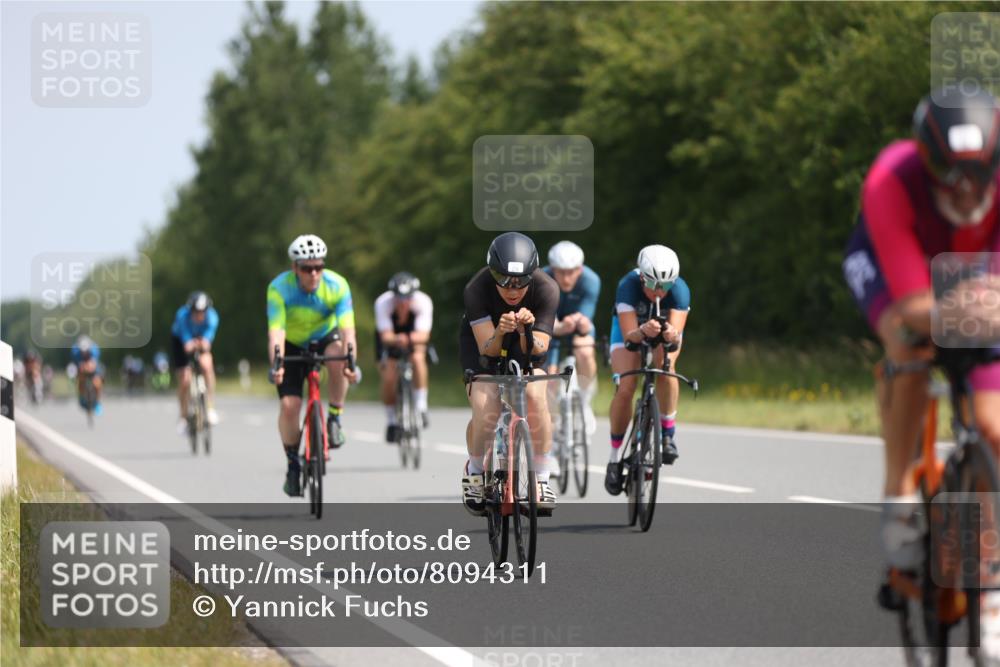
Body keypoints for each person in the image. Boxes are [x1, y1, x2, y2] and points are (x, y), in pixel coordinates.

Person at [842, 91, 1000, 603]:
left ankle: (984, 581)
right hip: (896, 266)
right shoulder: (891, 179)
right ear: (930, 165)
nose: (965, 191)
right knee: (911, 348)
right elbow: (913, 305)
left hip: (976, 267)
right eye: (951, 178)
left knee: (993, 428)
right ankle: (899, 496)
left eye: (978, 178)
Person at [459, 232, 560, 515]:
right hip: (483, 342)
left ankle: (540, 479)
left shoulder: (547, 289)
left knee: (535, 396)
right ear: (492, 273)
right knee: (485, 403)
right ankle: (476, 471)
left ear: (533, 275)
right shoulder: (476, 289)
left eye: (520, 281)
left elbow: (537, 351)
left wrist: (526, 329)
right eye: (503, 279)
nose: (512, 289)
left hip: (526, 344)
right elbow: (487, 351)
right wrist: (501, 330)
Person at [267, 234, 358, 497]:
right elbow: (276, 332)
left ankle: (334, 417)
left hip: (325, 338)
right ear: (295, 267)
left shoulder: (337, 285)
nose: (314, 273)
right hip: (292, 344)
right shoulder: (279, 288)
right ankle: (293, 463)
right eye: (307, 268)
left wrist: (351, 361)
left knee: (339, 354)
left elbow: (347, 330)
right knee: (289, 405)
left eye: (319, 266)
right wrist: (277, 363)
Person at [604, 245, 691, 496]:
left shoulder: (680, 291)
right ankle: (614, 456)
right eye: (653, 284)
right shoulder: (627, 286)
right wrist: (642, 332)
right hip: (629, 330)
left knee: (667, 367)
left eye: (666, 285)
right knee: (626, 385)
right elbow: (630, 337)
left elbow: (674, 338)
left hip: (663, 332)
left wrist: (670, 334)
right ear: (642, 276)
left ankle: (667, 433)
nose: (659, 291)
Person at [543, 241, 601, 434]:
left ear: (580, 269)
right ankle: (551, 420)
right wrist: (557, 328)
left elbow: (586, 318)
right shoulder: (541, 280)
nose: (566, 278)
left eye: (571, 272)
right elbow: (541, 318)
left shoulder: (591, 280)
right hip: (551, 327)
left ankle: (585, 403)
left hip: (577, 326)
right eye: (561, 272)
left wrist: (581, 323)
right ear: (552, 269)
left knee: (584, 350)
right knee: (548, 376)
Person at [374, 272, 433, 443]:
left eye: (407, 298)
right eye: (399, 298)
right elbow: (385, 336)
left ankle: (421, 407)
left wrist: (407, 339)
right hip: (390, 338)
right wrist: (396, 339)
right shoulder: (383, 303)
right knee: (389, 377)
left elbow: (423, 335)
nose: (403, 302)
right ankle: (392, 421)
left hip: (413, 335)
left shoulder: (423, 302)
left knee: (418, 359)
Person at [171, 291, 220, 433]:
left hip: (200, 338)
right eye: (195, 311)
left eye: (202, 312)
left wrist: (204, 343)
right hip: (180, 340)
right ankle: (183, 416)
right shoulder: (182, 316)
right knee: (185, 379)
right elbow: (186, 345)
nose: (199, 314)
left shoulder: (212, 317)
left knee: (206, 365)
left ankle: (210, 407)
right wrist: (190, 343)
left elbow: (207, 341)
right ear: (190, 310)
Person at [70, 335, 103, 415]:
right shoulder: (75, 352)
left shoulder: (94, 350)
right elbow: (76, 365)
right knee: (79, 380)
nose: (84, 353)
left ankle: (98, 403)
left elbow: (94, 364)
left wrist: (89, 366)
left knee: (97, 383)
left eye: (86, 351)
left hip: (92, 365)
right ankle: (81, 396)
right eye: (82, 351)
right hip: (80, 366)